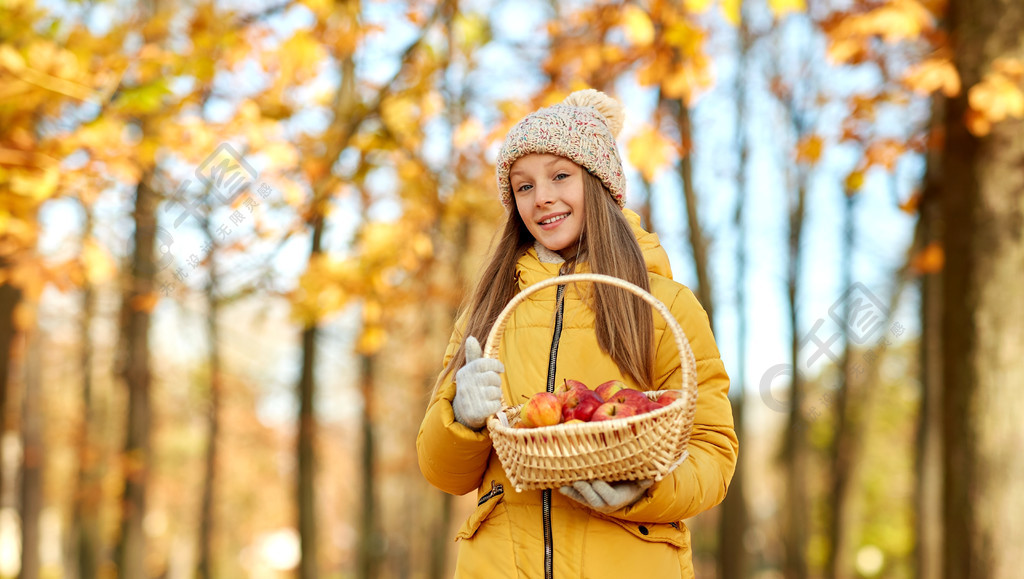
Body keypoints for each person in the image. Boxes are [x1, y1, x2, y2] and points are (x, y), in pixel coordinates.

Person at [416, 89, 737, 578]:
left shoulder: (664, 306)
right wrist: (462, 420)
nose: (541, 196)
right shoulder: (490, 312)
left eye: (560, 176)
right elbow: (442, 472)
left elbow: (712, 451)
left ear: (601, 185)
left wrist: (648, 488)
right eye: (523, 187)